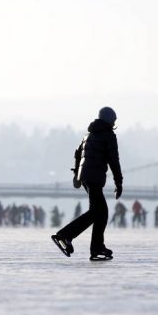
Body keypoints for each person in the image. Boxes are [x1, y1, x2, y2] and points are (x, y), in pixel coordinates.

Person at [52, 107, 123, 261]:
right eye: (114, 121)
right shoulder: (109, 136)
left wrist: (77, 175)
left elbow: (78, 154)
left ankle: (96, 247)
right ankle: (65, 235)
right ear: (110, 121)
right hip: (95, 177)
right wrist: (119, 182)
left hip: (85, 176)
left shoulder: (88, 135)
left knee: (101, 212)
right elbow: (113, 160)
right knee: (96, 211)